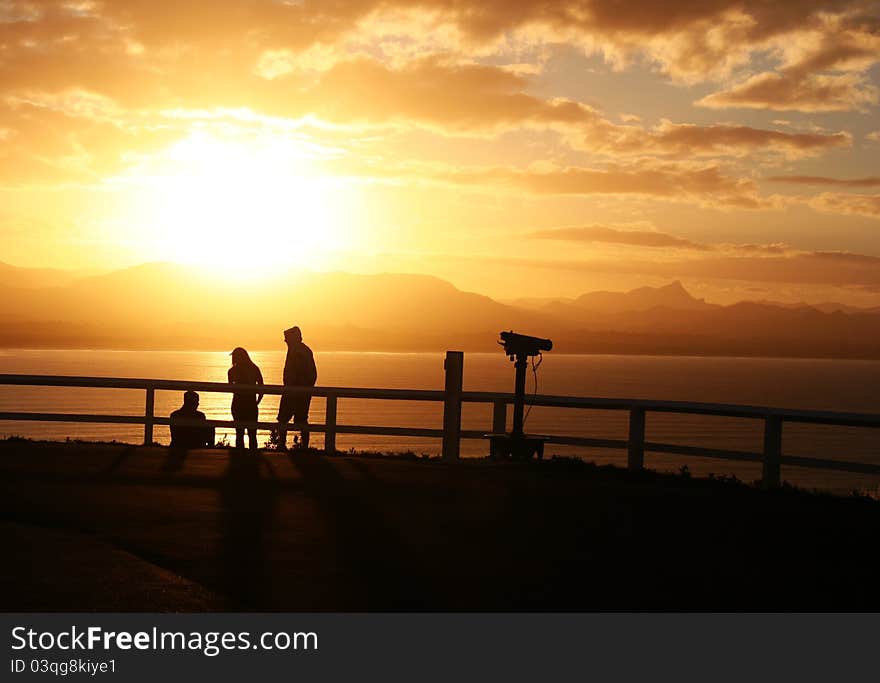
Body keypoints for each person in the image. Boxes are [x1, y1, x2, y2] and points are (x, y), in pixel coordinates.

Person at [276, 326, 317, 450]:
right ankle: (302, 446)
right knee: (300, 419)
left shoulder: (299, 352)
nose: (286, 342)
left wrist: (297, 387)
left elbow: (304, 373)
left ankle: (284, 445)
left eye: (287, 340)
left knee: (285, 418)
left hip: (295, 392)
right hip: (297, 391)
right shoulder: (300, 350)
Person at [228, 347, 264, 450]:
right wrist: (257, 402)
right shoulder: (254, 368)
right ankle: (253, 455)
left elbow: (230, 388)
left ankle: (240, 455)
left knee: (239, 433)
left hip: (237, 404)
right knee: (252, 434)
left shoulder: (231, 371)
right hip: (251, 404)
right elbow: (262, 387)